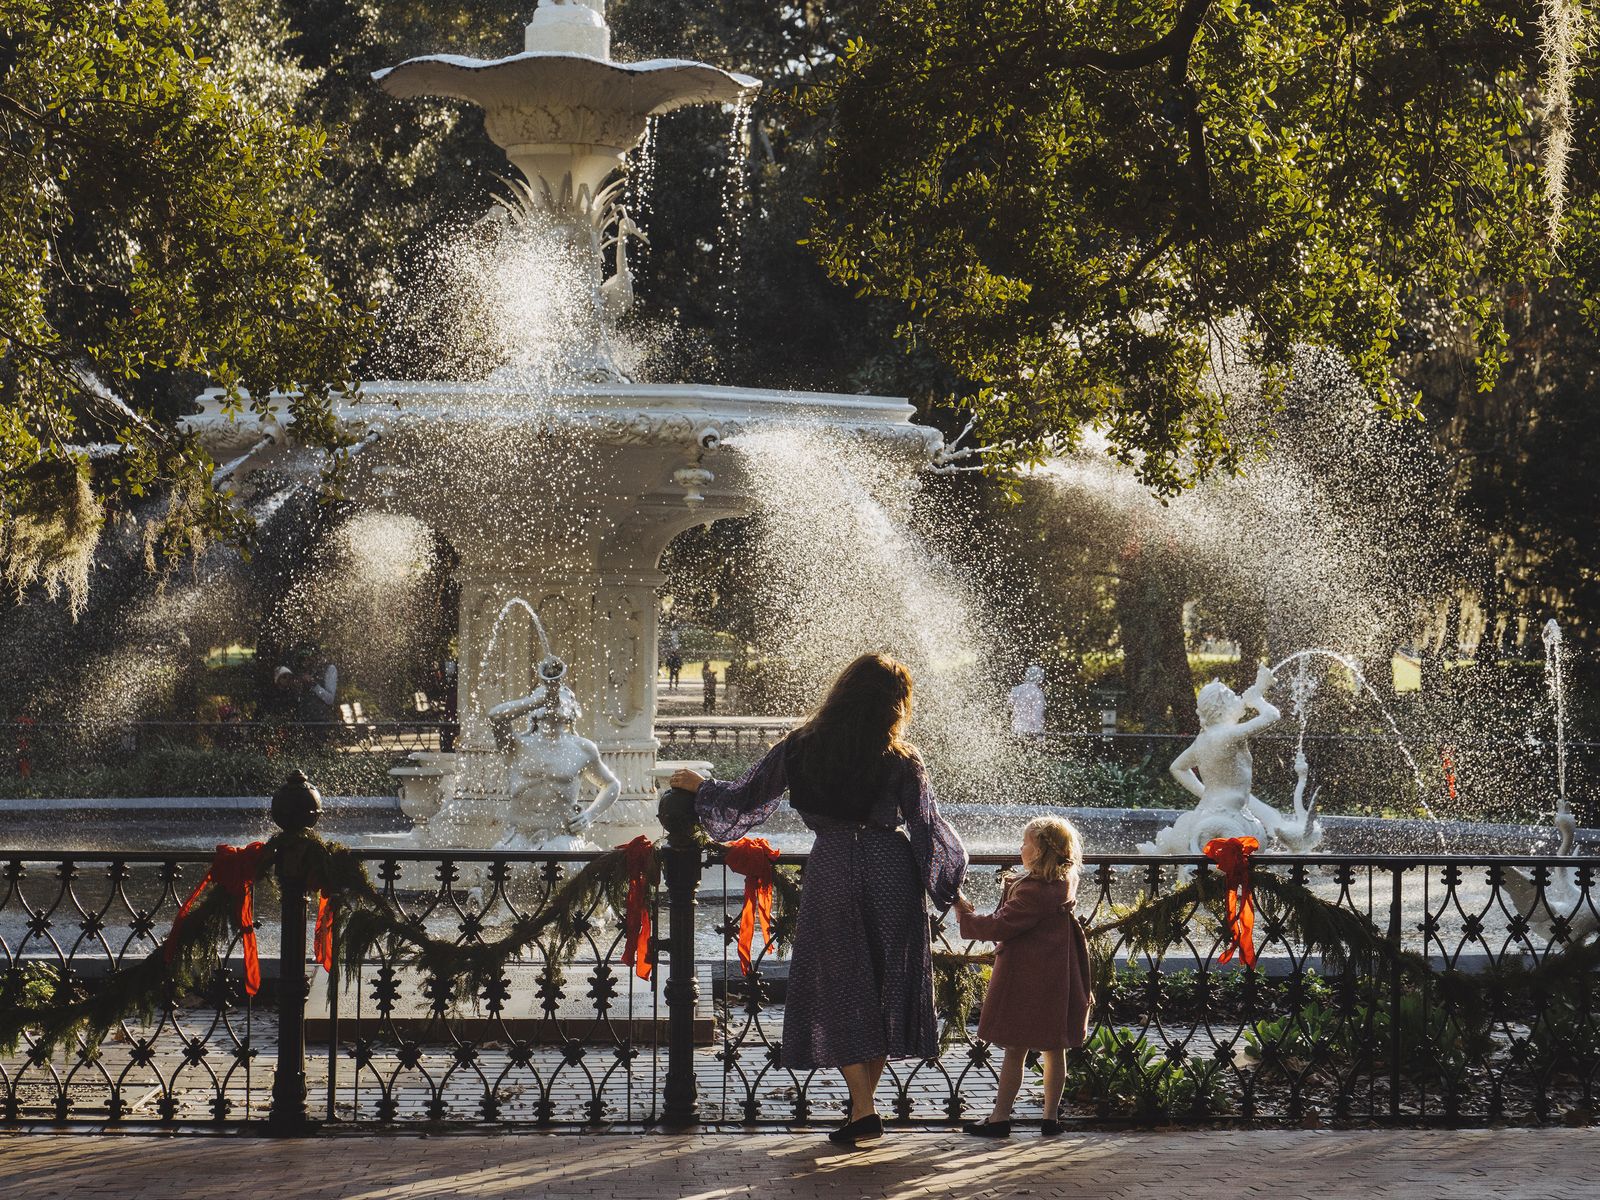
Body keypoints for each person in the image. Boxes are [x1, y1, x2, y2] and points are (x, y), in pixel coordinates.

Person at [670, 653, 968, 1148]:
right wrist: (950, 888)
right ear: (894, 705)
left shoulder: (801, 746)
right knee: (881, 985)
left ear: (843, 691)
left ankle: (863, 1111)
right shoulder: (902, 759)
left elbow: (746, 798)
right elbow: (926, 830)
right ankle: (862, 1111)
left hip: (832, 868)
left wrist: (702, 788)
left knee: (841, 984)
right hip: (890, 871)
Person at [953, 815, 1091, 1138]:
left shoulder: (1031, 892)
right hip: (1058, 977)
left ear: (1041, 851)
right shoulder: (1064, 882)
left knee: (1015, 1049)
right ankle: (1050, 1119)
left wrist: (963, 910)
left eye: (1026, 842)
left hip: (1028, 980)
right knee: (1054, 1049)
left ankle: (1000, 1117)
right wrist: (1015, 882)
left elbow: (997, 926)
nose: (1020, 846)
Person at [1008, 664, 1046, 736]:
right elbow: (1036, 715)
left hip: (1016, 728)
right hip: (1030, 731)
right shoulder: (1038, 693)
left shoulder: (1016, 690)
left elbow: (1009, 708)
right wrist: (1039, 734)